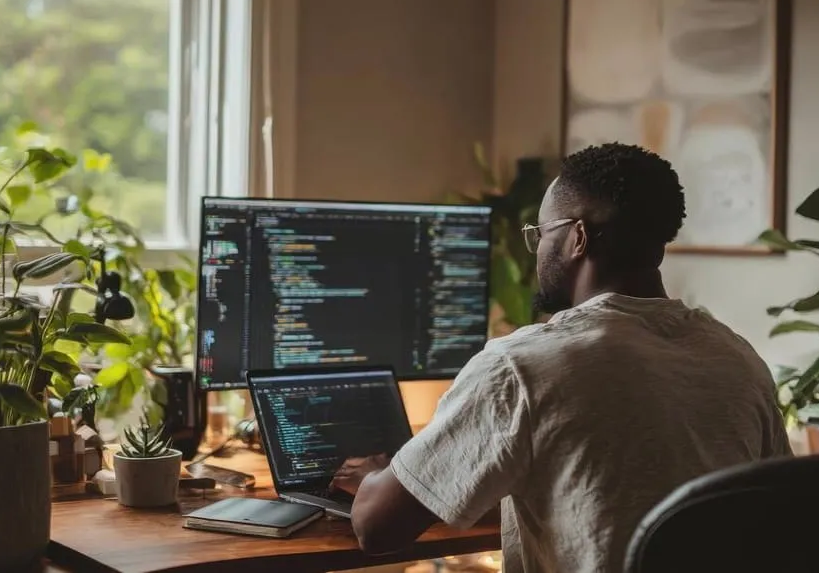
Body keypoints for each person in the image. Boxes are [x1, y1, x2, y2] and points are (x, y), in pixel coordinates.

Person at [330, 143, 792, 572]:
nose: (537, 250)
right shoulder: (735, 357)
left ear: (576, 238)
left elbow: (377, 527)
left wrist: (374, 476)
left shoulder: (522, 367)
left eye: (540, 233)